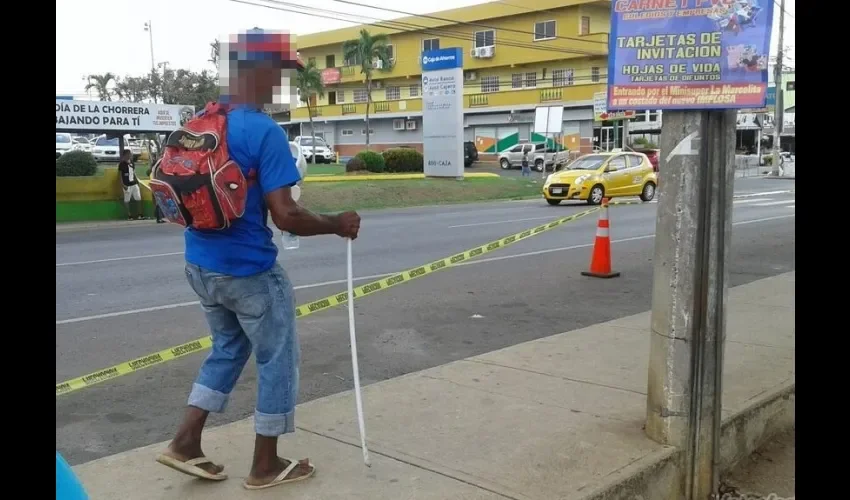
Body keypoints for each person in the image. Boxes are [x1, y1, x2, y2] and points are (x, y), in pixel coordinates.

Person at [155, 28, 361, 491]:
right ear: (260, 71)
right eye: (281, 73)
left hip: (199, 265)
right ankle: (265, 464)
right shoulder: (263, 130)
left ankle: (186, 442)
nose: (281, 84)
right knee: (277, 359)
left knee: (227, 349)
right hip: (249, 271)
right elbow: (286, 215)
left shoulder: (198, 123)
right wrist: (337, 223)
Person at [117, 149, 143, 220]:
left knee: (138, 198)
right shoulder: (121, 164)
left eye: (130, 154)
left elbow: (134, 173)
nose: (130, 155)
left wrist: (137, 182)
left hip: (134, 183)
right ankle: (129, 215)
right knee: (127, 200)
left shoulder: (132, 163)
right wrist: (122, 185)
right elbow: (120, 175)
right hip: (126, 184)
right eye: (129, 154)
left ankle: (140, 214)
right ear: (125, 155)